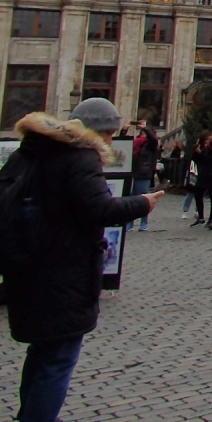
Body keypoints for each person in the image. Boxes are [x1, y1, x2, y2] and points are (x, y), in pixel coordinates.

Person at [0, 97, 161, 422]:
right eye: (109, 133)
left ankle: (32, 412)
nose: (110, 140)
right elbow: (100, 209)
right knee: (59, 357)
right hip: (64, 268)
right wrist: (142, 203)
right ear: (96, 130)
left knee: (43, 350)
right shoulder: (80, 156)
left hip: (28, 264)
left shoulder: (30, 150)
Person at [127, 124, 159, 231]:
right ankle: (129, 223)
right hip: (132, 173)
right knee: (131, 199)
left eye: (145, 133)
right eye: (142, 133)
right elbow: (123, 144)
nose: (143, 135)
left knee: (144, 199)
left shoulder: (150, 145)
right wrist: (124, 130)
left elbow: (153, 139)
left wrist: (145, 127)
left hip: (143, 174)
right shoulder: (136, 144)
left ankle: (144, 223)